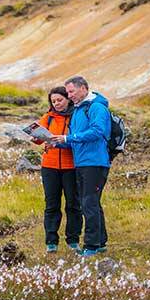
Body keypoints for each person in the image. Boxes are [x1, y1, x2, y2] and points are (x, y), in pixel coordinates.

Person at [50, 76, 110, 257]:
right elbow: (76, 139)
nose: (69, 96)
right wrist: (57, 142)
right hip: (82, 163)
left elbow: (98, 131)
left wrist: (68, 138)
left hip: (95, 162)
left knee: (88, 203)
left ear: (83, 88)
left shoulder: (96, 107)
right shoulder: (77, 110)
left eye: (71, 92)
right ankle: (100, 243)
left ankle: (91, 246)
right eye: (67, 92)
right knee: (92, 203)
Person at [33, 86, 80, 253]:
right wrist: (36, 138)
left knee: (73, 205)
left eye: (59, 100)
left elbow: (78, 138)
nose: (57, 103)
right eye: (53, 101)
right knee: (51, 205)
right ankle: (51, 242)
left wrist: (61, 142)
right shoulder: (48, 117)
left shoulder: (76, 116)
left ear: (68, 99)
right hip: (49, 167)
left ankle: (73, 241)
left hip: (71, 166)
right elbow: (38, 139)